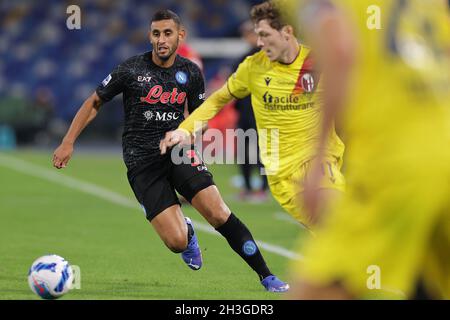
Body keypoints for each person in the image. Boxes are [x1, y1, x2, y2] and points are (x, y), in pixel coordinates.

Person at [52, 9, 288, 293]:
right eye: (156, 33)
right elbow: (94, 102)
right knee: (176, 242)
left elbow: (200, 115)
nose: (161, 39)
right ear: (150, 36)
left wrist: (191, 135)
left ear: (180, 36)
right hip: (141, 161)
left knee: (218, 212)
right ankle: (187, 232)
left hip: (178, 153)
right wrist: (68, 141)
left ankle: (266, 275)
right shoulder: (131, 69)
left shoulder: (190, 72)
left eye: (167, 33)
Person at [288, 0, 450, 299]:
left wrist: (319, 151)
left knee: (315, 291)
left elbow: (339, 49)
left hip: (396, 160)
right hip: (442, 142)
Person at [160, 1, 346, 227]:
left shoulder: (318, 62)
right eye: (257, 35)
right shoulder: (253, 67)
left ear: (287, 31)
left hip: (319, 160)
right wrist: (184, 129)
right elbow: (219, 98)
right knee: (329, 234)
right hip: (281, 174)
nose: (259, 42)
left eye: (265, 35)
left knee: (339, 223)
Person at [234, 21, 269, 202]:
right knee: (245, 151)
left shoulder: (267, 59)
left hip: (261, 113)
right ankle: (248, 187)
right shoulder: (243, 59)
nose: (249, 37)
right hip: (246, 112)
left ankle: (264, 187)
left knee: (263, 152)